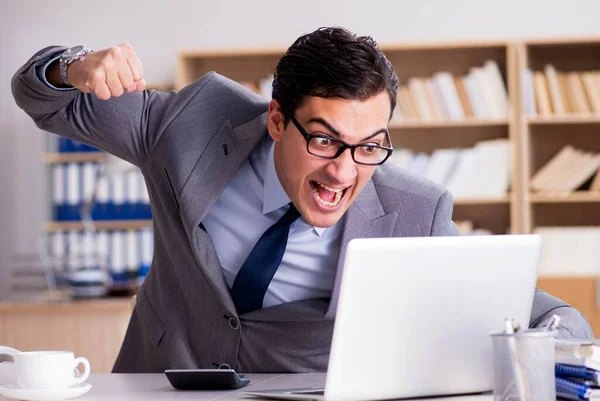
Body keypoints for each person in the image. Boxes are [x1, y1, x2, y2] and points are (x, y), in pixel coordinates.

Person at [12, 27, 592, 373]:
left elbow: (541, 314)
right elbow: (40, 97)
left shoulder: (414, 212)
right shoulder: (192, 124)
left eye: (370, 145)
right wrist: (72, 66)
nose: (343, 170)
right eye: (324, 139)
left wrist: (556, 346)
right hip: (156, 386)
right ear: (275, 120)